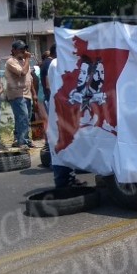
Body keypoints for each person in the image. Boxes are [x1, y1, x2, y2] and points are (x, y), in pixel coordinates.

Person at [46, 54, 86, 188]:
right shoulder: (56, 64)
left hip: (71, 109)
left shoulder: (73, 63)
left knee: (70, 145)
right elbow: (55, 87)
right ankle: (63, 181)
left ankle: (69, 178)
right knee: (62, 144)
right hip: (61, 109)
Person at [5, 40, 36, 149]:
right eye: (21, 49)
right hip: (17, 94)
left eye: (24, 49)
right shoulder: (11, 61)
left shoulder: (24, 61)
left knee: (25, 118)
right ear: (13, 50)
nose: (23, 51)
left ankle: (21, 138)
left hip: (27, 94)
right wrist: (27, 58)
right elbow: (22, 73)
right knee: (23, 116)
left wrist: (34, 93)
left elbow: (29, 79)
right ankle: (22, 142)